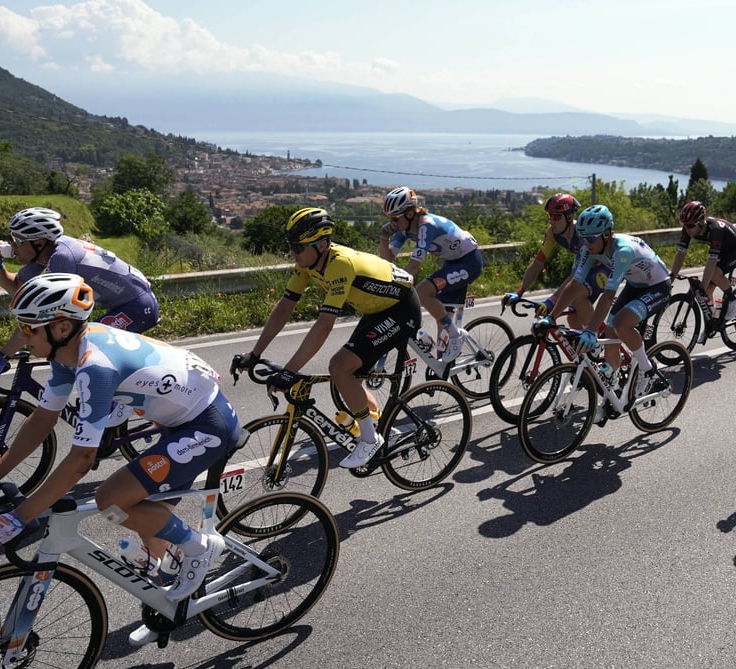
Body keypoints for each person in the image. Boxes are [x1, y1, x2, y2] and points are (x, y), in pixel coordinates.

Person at [0, 273, 241, 644]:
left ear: (60, 326)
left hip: (206, 425)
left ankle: (201, 548)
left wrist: (19, 516)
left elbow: (81, 460)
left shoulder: (95, 367)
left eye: (28, 329)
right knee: (149, 521)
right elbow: (42, 420)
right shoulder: (66, 353)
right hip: (178, 419)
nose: (23, 337)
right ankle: (170, 600)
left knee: (112, 499)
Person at [237, 208, 420, 469]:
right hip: (376, 310)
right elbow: (284, 308)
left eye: (298, 248)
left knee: (339, 366)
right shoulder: (308, 264)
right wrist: (254, 354)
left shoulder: (339, 265)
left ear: (322, 245)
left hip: (401, 309)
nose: (293, 253)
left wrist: (290, 371)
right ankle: (374, 421)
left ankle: (370, 439)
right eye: (291, 246)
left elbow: (324, 325)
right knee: (350, 375)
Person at [0, 207, 160, 389]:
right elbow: (16, 286)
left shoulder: (62, 258)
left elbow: (37, 316)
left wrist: (2, 357)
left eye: (17, 241)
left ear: (38, 243)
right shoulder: (45, 253)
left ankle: (117, 404)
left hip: (137, 307)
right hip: (124, 303)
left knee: (87, 350)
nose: (13, 247)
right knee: (66, 352)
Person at [542, 204, 672, 405]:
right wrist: (551, 316)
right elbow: (575, 284)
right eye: (583, 238)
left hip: (657, 285)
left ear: (606, 234)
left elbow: (608, 295)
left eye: (591, 238)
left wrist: (591, 331)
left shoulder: (623, 250)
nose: (587, 243)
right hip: (636, 284)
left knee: (621, 324)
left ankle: (647, 369)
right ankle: (611, 385)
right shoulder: (590, 249)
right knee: (610, 333)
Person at [378, 186, 482, 363]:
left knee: (422, 292)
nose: (392, 222)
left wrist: (398, 286)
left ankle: (457, 336)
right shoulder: (404, 229)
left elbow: (414, 265)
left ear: (410, 213)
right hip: (452, 263)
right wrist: (384, 238)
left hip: (469, 262)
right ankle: (443, 363)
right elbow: (387, 261)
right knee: (441, 316)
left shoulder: (426, 225)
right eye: (390, 218)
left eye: (395, 217)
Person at [504, 192, 603, 329]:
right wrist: (520, 291)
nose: (551, 220)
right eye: (549, 216)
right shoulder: (552, 233)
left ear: (569, 217)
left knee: (577, 296)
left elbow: (575, 276)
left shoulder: (582, 236)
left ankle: (593, 337)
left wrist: (552, 301)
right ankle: (585, 349)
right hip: (587, 266)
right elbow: (538, 263)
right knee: (573, 320)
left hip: (605, 266)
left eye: (556, 216)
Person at [669, 200, 736, 343]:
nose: (687, 229)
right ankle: (711, 323)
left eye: (690, 226)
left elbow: (711, 263)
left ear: (701, 222)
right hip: (723, 250)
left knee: (712, 275)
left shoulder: (715, 230)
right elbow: (680, 254)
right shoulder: (689, 227)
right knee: (706, 291)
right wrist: (671, 277)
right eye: (684, 225)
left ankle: (732, 298)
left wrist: (701, 286)